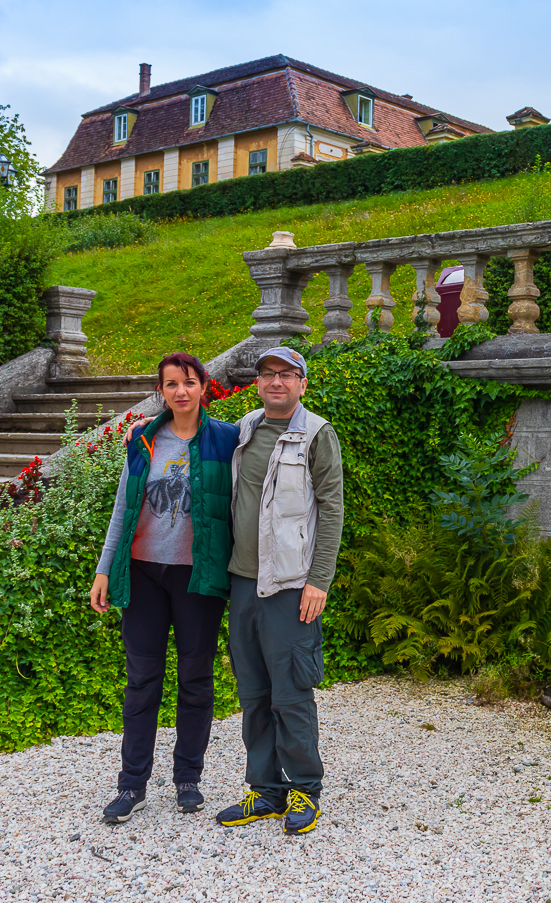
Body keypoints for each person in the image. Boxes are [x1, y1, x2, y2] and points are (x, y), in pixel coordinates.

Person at [89, 352, 240, 824]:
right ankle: (132, 784)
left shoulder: (230, 439)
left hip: (198, 576)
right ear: (162, 390)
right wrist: (103, 568)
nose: (180, 392)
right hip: (142, 574)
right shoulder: (144, 440)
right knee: (141, 681)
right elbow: (123, 508)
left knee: (195, 680)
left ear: (204, 387)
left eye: (189, 382)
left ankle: (187, 778)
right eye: (171, 384)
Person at [214, 346, 344, 836]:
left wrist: (319, 580)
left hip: (291, 587)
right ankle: (265, 791)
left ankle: (305, 790)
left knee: (291, 694)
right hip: (243, 582)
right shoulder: (245, 428)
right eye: (268, 374)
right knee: (253, 693)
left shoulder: (316, 434)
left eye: (287, 374)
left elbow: (331, 510)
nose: (276, 382)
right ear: (258, 382)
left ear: (302, 384)